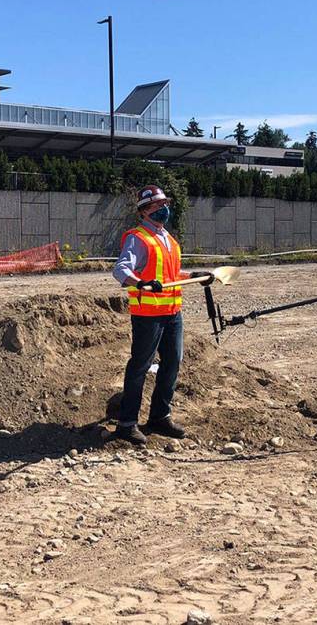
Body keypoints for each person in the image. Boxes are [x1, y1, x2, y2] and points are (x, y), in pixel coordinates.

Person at [111, 185, 212, 446]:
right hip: (148, 314)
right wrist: (141, 282)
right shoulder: (138, 237)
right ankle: (126, 424)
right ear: (145, 210)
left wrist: (193, 276)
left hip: (172, 313)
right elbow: (121, 270)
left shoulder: (168, 238)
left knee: (172, 363)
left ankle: (160, 416)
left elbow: (170, 276)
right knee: (140, 366)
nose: (164, 208)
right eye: (157, 205)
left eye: (164, 203)